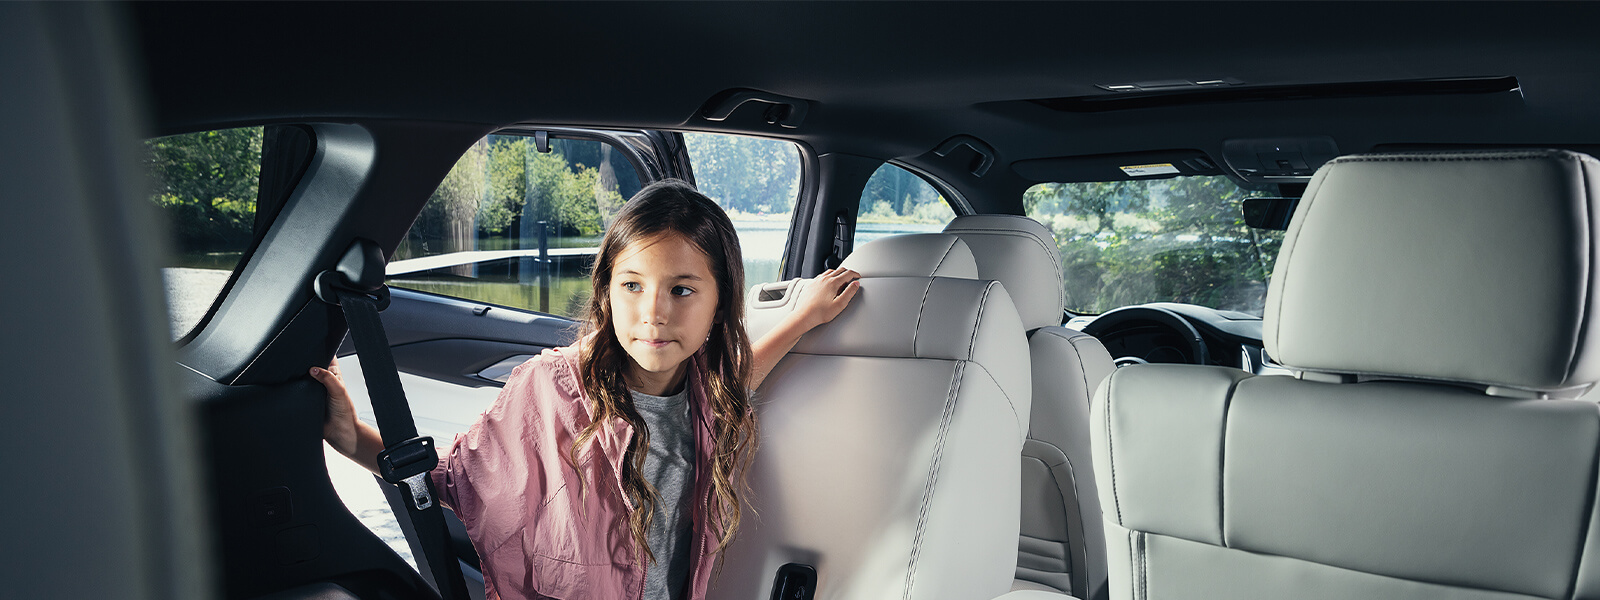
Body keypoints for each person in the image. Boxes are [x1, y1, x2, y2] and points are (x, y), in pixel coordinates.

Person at [314, 179, 860, 600]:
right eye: (633, 285)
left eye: (682, 290)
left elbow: (737, 381)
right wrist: (352, 436)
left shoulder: (705, 392)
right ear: (607, 293)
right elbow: (456, 479)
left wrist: (804, 317)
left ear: (720, 304)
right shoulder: (549, 387)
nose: (654, 313)